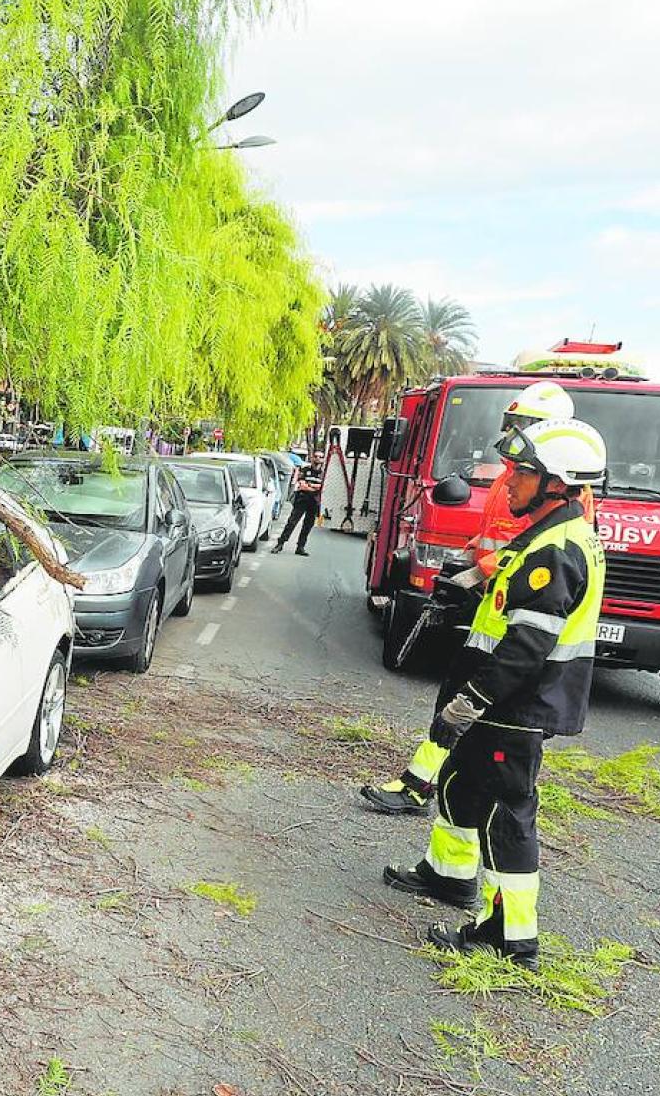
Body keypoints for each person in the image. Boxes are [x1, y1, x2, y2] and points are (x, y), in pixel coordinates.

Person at [380, 418, 608, 969]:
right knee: (460, 785)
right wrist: (468, 585)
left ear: (557, 481)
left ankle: (512, 935)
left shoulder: (557, 549)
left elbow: (528, 646)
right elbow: (509, 582)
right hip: (501, 701)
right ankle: (449, 876)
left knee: (507, 816)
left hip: (515, 706)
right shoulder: (549, 534)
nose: (508, 483)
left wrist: (472, 701)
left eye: (523, 473)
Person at [359, 381, 575, 815]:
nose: (514, 438)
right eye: (511, 425)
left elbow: (526, 554)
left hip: (509, 620)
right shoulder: (512, 478)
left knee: (464, 711)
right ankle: (423, 785)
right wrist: (465, 560)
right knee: (454, 704)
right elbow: (496, 532)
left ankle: (419, 785)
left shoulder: (558, 492)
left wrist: (479, 572)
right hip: (487, 609)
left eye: (523, 426)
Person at [271, 454, 325, 554]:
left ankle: (300, 547)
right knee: (292, 522)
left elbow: (322, 487)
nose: (318, 458)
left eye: (320, 457)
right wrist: (314, 487)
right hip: (302, 499)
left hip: (314, 502)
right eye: (316, 456)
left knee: (308, 525)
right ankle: (280, 544)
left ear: (323, 459)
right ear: (312, 458)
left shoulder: (324, 473)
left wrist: (310, 486)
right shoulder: (305, 470)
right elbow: (302, 485)